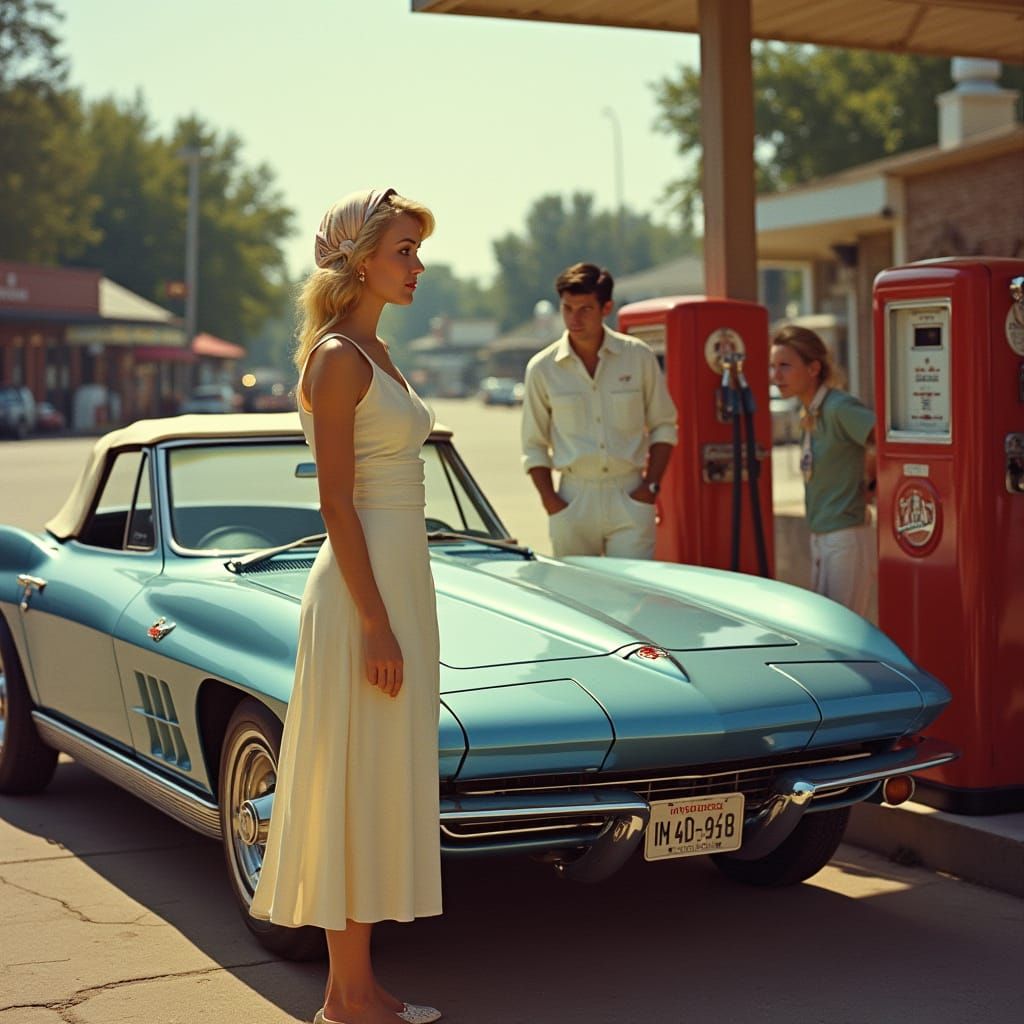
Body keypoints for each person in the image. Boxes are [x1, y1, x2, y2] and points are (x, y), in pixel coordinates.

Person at [249, 188, 443, 1024]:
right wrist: (373, 620)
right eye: (404, 250)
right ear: (362, 258)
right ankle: (349, 996)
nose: (417, 266)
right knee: (352, 780)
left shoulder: (379, 353)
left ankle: (351, 993)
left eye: (417, 251)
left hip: (400, 581)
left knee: (378, 779)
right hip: (362, 593)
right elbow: (334, 504)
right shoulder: (337, 357)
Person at [520, 262, 677, 559]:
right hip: (572, 498)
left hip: (630, 494)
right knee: (577, 597)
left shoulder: (638, 356)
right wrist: (551, 502)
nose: (574, 319)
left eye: (585, 309)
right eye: (567, 308)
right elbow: (533, 444)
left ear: (607, 308)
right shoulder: (542, 368)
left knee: (633, 596)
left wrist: (650, 487)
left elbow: (664, 425)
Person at [769, 324, 877, 617]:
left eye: (785, 366)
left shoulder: (838, 407)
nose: (775, 376)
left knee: (845, 632)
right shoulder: (811, 412)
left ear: (813, 368)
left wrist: (871, 486)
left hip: (846, 537)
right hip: (822, 536)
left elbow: (884, 442)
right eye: (773, 367)